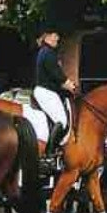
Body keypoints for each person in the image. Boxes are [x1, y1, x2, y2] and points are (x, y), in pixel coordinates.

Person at [33, 22, 76, 161]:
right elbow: (57, 75)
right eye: (54, 35)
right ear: (47, 37)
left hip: (48, 90)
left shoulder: (47, 52)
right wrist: (69, 84)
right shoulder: (47, 53)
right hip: (46, 92)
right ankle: (49, 154)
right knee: (62, 120)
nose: (57, 37)